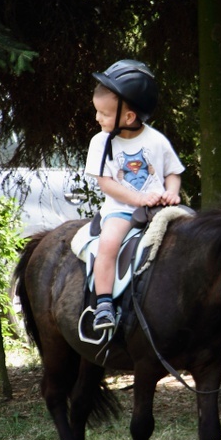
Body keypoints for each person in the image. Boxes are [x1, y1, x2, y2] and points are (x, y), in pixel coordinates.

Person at [84, 59, 185, 330]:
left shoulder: (156, 140)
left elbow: (173, 172)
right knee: (108, 244)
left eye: (103, 114)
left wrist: (172, 194)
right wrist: (138, 199)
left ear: (128, 117)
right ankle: (103, 303)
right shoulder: (101, 142)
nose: (98, 118)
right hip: (121, 210)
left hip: (159, 210)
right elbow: (106, 184)